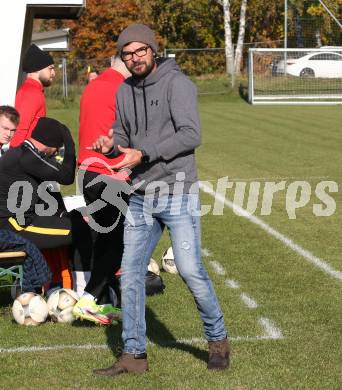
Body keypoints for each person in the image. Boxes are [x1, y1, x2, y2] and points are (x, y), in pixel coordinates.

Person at [92, 24, 229, 375]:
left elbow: (191, 134)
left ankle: (218, 340)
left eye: (140, 51)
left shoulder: (177, 83)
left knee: (189, 270)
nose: (135, 58)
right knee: (131, 274)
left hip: (177, 191)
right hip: (140, 194)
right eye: (127, 53)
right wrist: (112, 144)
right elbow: (123, 133)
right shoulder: (123, 90)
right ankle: (134, 355)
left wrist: (145, 152)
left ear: (153, 49)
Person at [72, 56, 131, 314]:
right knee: (120, 241)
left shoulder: (93, 84)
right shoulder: (123, 88)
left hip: (86, 171)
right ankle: (88, 298)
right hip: (109, 172)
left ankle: (101, 299)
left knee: (105, 238)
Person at [10, 44, 55, 147]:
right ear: (37, 68)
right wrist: (14, 158)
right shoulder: (31, 92)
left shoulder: (33, 90)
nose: (53, 73)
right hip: (23, 156)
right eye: (50, 68)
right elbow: (20, 128)